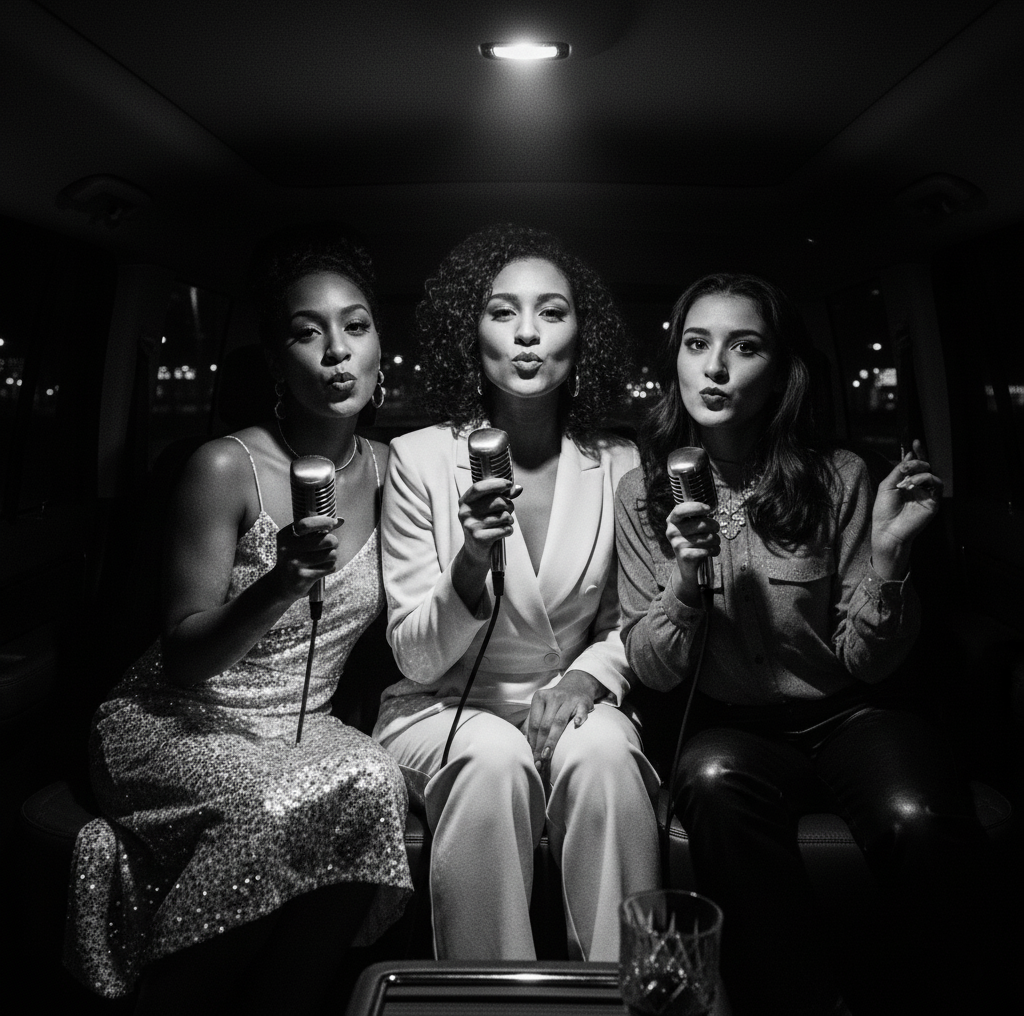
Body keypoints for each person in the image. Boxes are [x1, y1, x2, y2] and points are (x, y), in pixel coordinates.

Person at [614, 273, 993, 1016]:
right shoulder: (642, 491)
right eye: (697, 344)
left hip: (849, 715)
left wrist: (888, 561)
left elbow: (867, 659)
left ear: (781, 370)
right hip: (731, 728)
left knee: (916, 817)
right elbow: (655, 672)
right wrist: (687, 583)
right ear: (677, 361)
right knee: (715, 778)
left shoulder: (838, 477)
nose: (715, 367)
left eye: (743, 346)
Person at [65, 229, 412, 1013]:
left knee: (378, 782)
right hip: (174, 719)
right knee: (267, 803)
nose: (335, 353)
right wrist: (281, 582)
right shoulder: (226, 466)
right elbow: (183, 657)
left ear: (379, 348)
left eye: (355, 327)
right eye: (307, 330)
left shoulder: (397, 473)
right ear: (274, 361)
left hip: (298, 726)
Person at [374, 224, 660, 961]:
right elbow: (413, 656)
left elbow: (627, 623)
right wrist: (471, 559)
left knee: (603, 753)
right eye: (503, 312)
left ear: (580, 336)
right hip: (442, 709)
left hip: (566, 702)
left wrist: (585, 676)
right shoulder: (419, 460)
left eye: (552, 312)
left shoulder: (620, 462)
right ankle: (483, 1000)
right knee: (495, 756)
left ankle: (624, 990)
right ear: (470, 333)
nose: (528, 333)